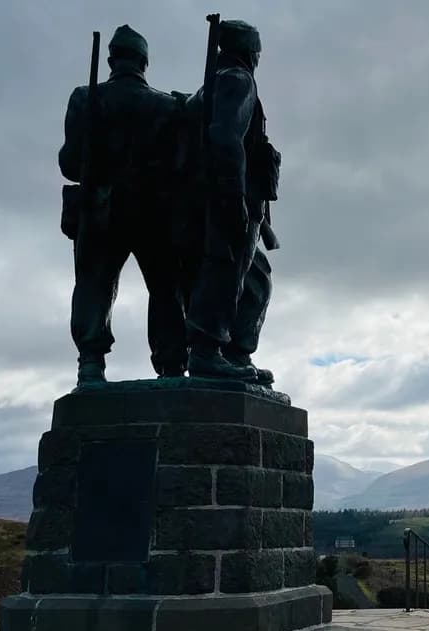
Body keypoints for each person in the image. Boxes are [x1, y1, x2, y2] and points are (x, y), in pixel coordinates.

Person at [58, 25, 188, 385]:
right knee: (166, 289)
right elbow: (182, 165)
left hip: (102, 210)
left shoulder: (85, 98)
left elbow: (69, 163)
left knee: (94, 285)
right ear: (144, 63)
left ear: (112, 60)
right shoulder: (169, 106)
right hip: (156, 213)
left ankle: (91, 361)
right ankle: (172, 364)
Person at [181, 19, 280, 382]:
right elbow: (226, 137)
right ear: (251, 52)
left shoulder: (211, 85)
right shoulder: (238, 80)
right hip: (230, 197)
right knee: (224, 271)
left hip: (223, 196)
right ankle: (207, 351)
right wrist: (233, 196)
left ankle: (236, 353)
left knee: (255, 279)